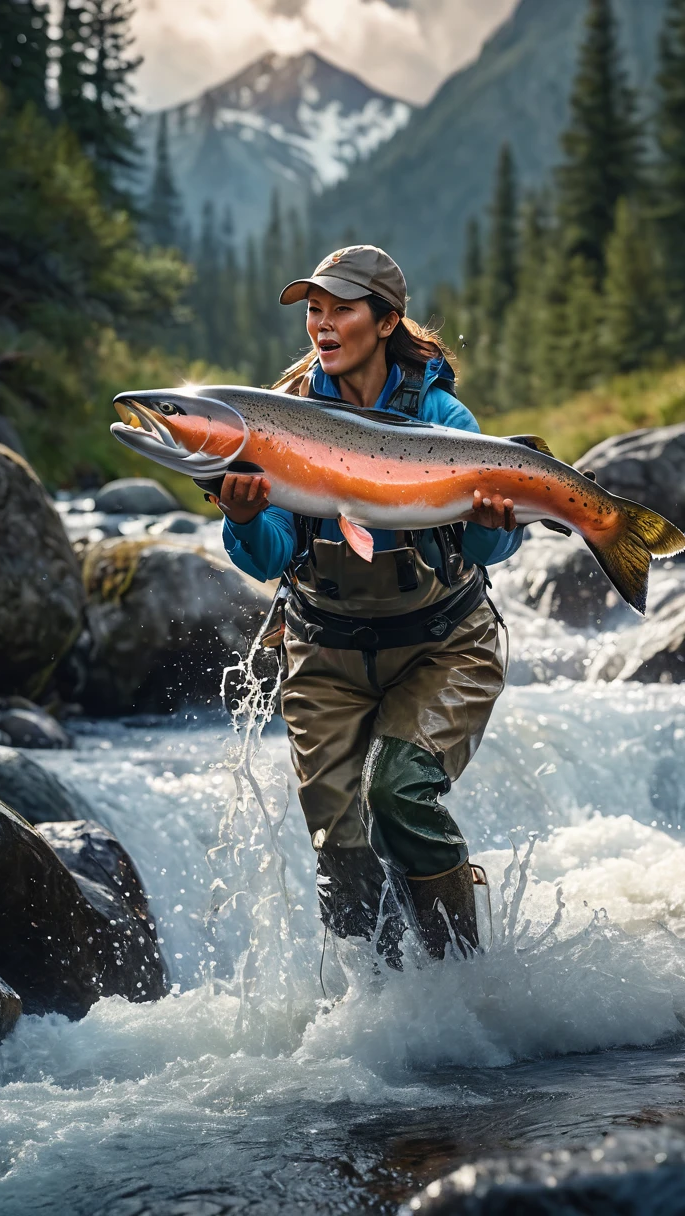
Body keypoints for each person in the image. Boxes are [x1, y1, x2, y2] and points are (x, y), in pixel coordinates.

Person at [216, 245, 524, 964]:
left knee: (398, 795)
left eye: (340, 310)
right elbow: (270, 557)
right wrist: (241, 517)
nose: (321, 325)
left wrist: (489, 524)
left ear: (386, 322)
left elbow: (488, 554)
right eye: (313, 311)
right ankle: (382, 1019)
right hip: (323, 657)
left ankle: (461, 986)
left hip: (444, 647)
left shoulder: (443, 413)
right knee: (343, 847)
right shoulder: (283, 415)